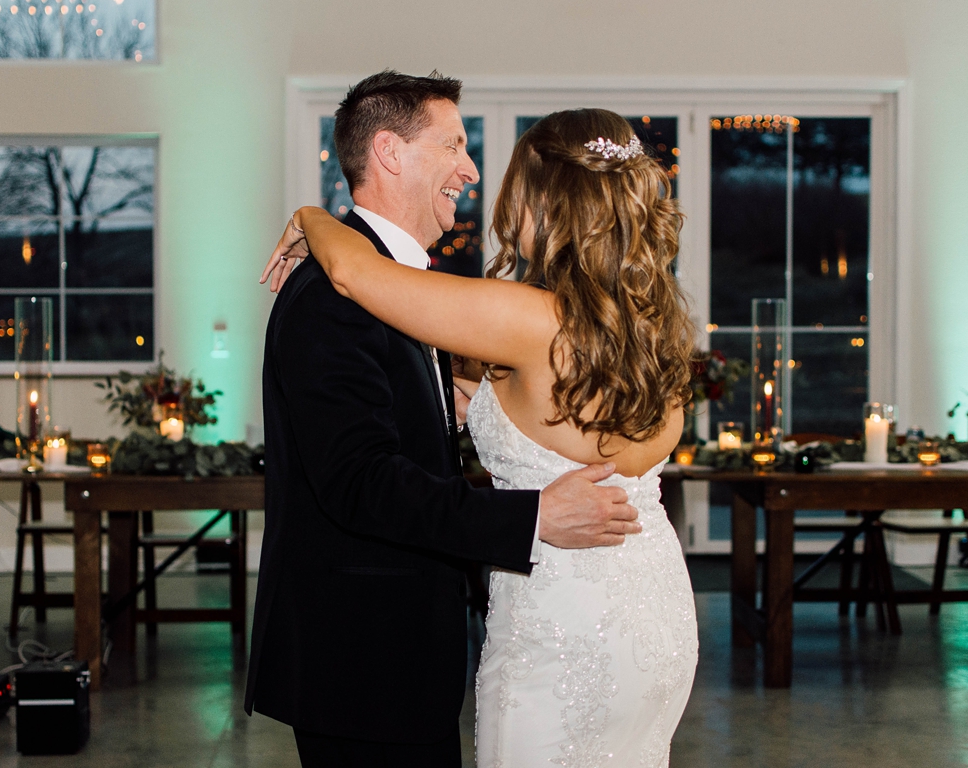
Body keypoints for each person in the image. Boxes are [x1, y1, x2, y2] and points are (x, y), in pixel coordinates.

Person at [264, 107, 699, 768]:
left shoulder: (528, 317)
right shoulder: (656, 324)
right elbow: (562, 422)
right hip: (654, 608)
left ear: (545, 198)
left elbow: (355, 275)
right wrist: (470, 405)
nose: (483, 182)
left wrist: (313, 217)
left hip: (566, 621)